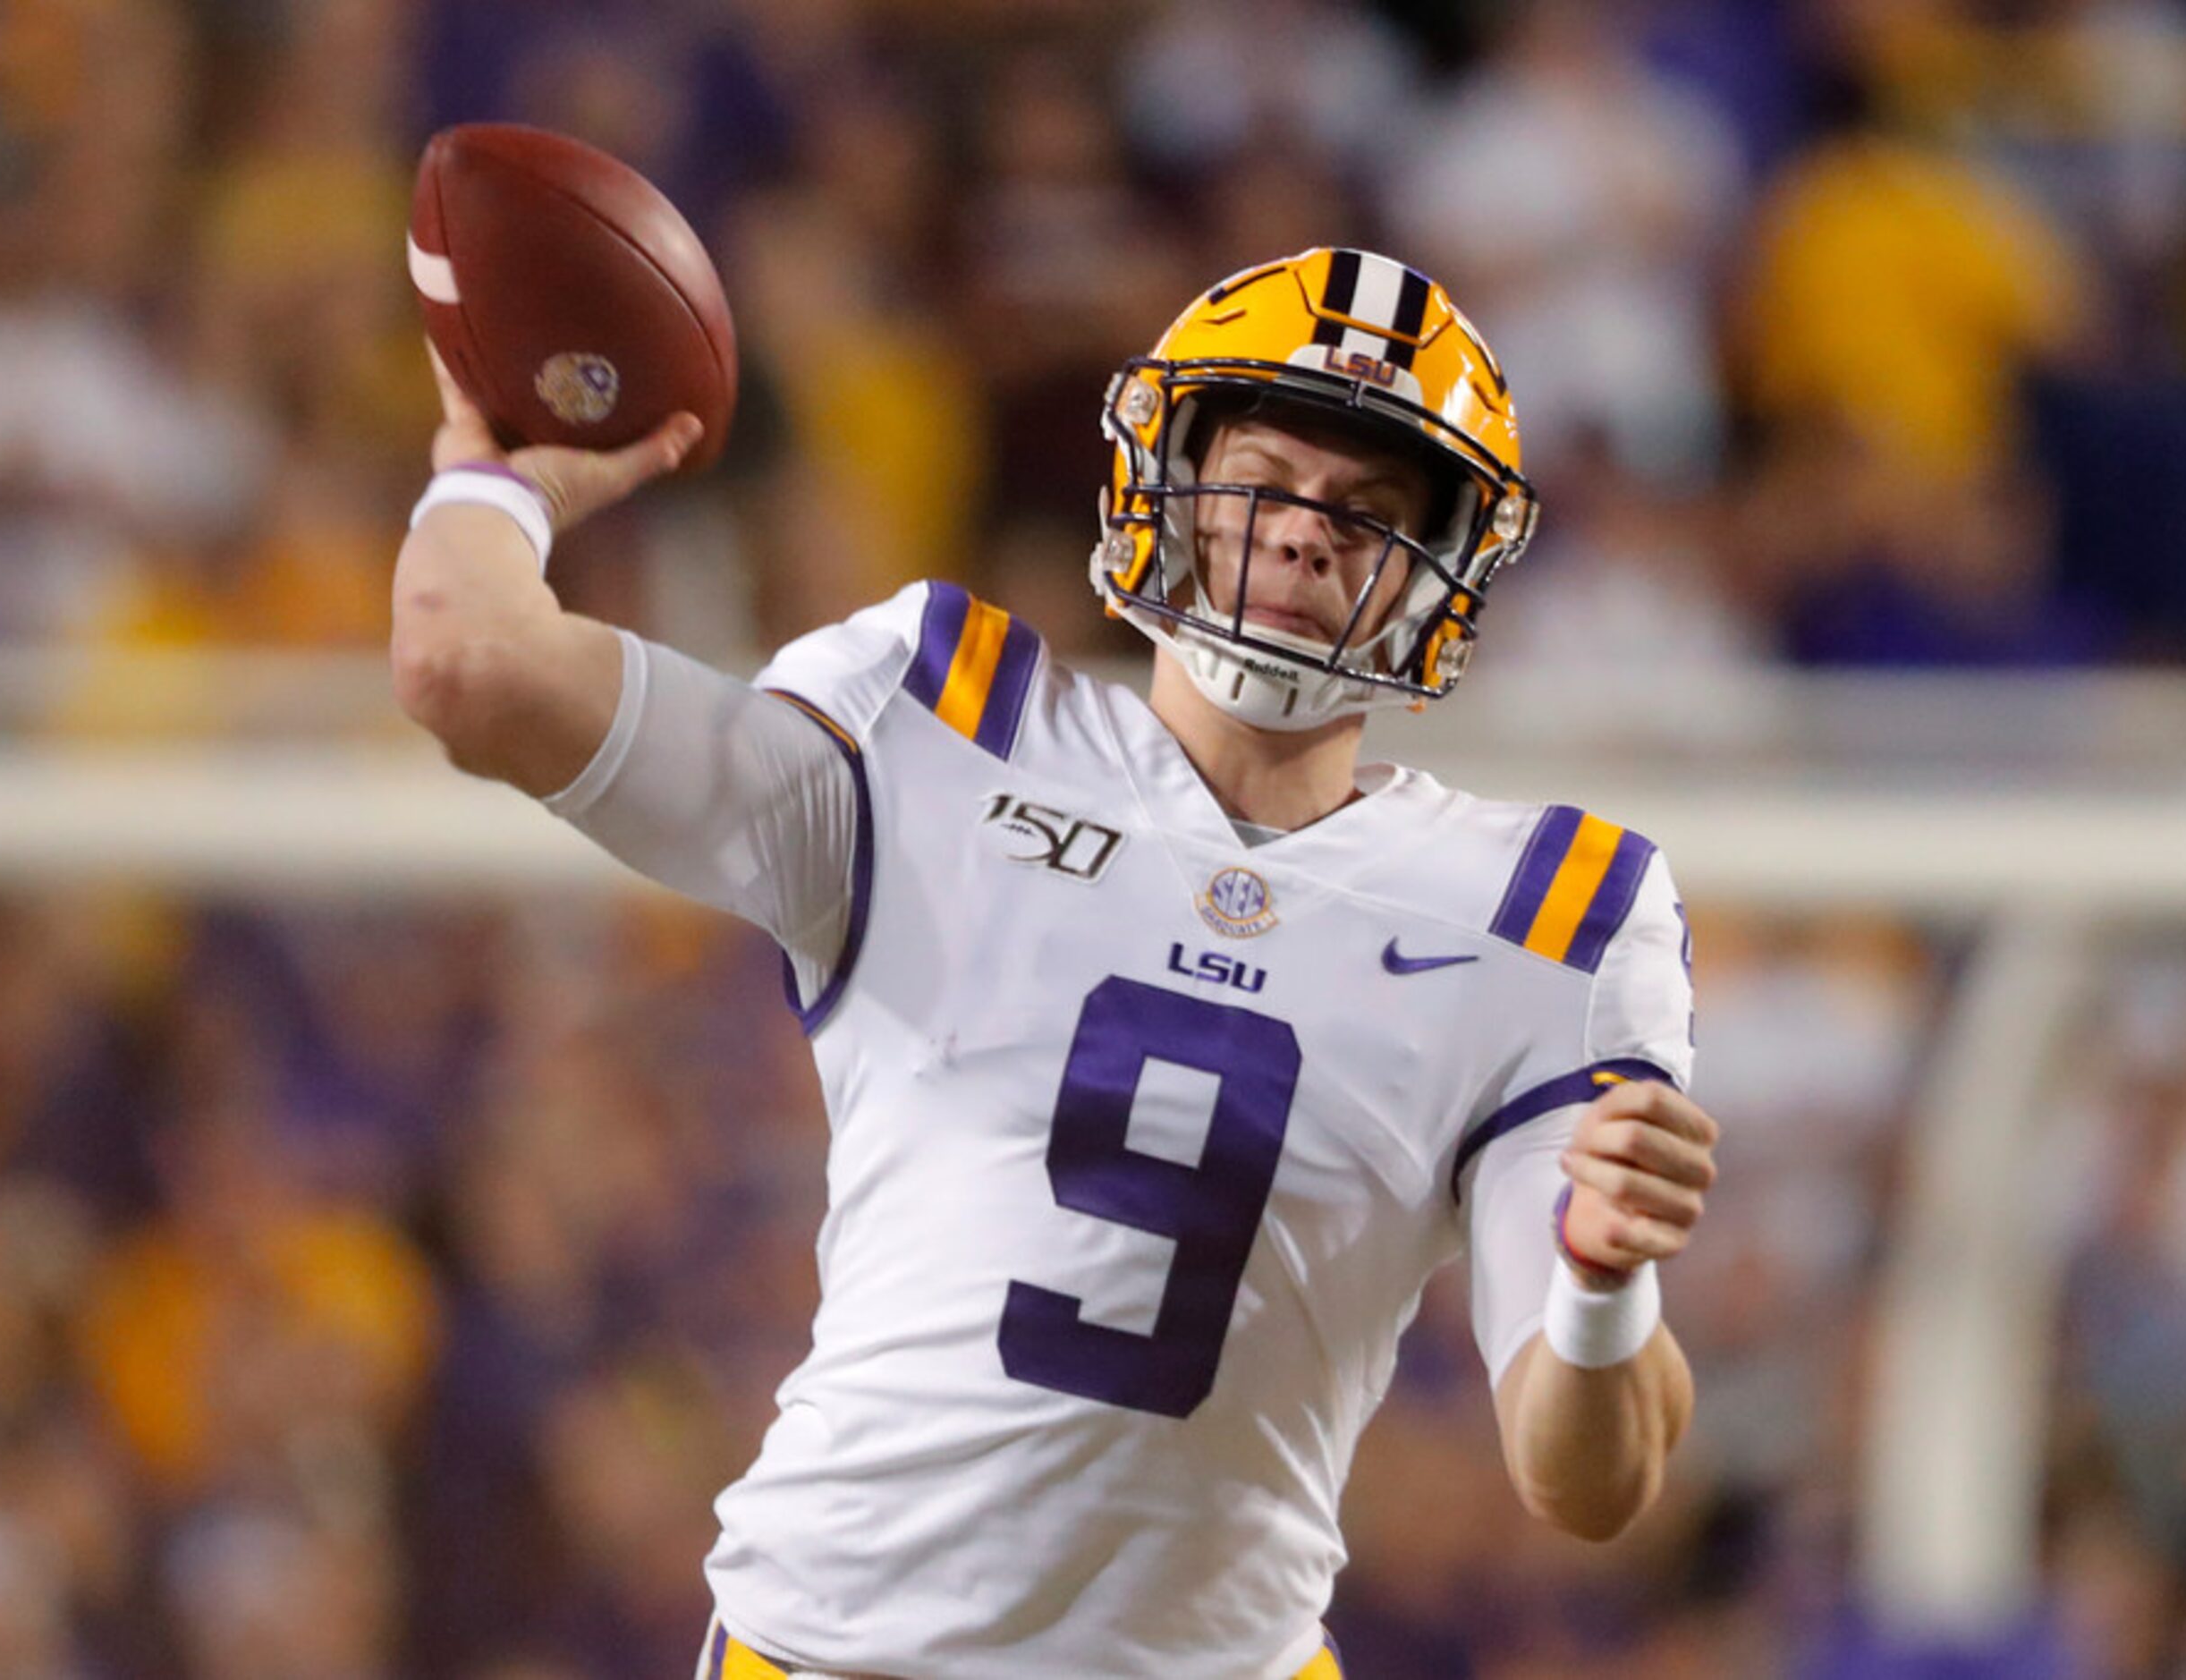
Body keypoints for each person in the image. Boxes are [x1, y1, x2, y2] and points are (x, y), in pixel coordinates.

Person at [392, 246, 1721, 1678]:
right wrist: (495, 475)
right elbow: (471, 668)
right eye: (1265, 478)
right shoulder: (939, 720)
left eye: (1367, 512)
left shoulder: (1550, 913)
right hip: (845, 1650)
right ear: (1173, 476)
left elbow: (1590, 1481)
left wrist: (1595, 1282)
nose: (1302, 537)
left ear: (1436, 571)